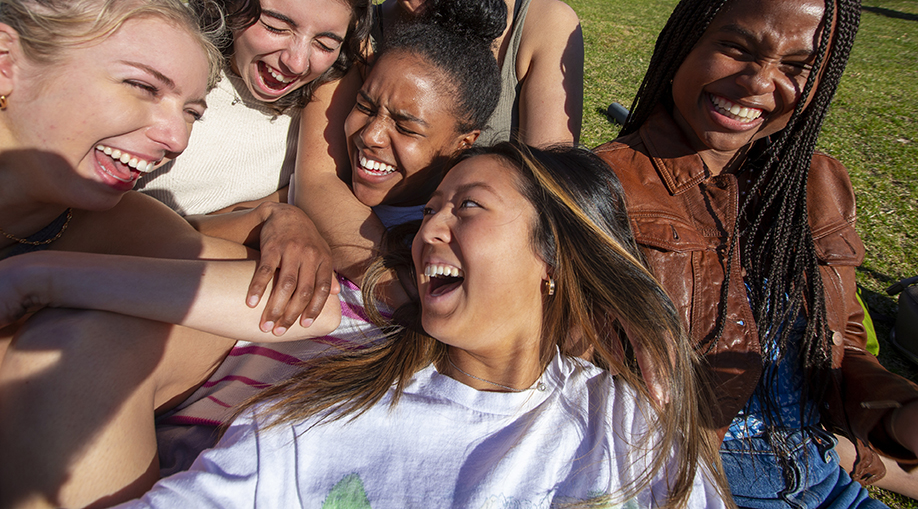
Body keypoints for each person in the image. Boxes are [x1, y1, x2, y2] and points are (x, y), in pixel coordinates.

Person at [115, 143, 728, 509]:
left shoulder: (630, 423)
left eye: (468, 207)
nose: (429, 230)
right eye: (432, 208)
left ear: (554, 259)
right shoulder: (325, 408)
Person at [0, 0, 343, 509]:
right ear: (6, 62)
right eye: (141, 86)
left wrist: (43, 278)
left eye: (191, 112)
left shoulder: (103, 220)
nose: (176, 138)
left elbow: (313, 309)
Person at [594, 0, 918, 508]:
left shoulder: (814, 183)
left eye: (796, 67)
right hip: (700, 487)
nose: (759, 82)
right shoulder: (602, 185)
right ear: (684, 40)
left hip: (825, 479)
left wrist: (902, 413)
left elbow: (840, 345)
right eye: (736, 47)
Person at [151, 0, 507, 469]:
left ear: (461, 144)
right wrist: (277, 215)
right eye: (366, 107)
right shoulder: (319, 185)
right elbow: (188, 238)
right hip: (194, 401)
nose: (372, 136)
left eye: (405, 126)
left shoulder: (455, 238)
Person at [291, 0, 584, 281]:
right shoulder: (356, 31)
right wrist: (399, 289)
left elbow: (545, 207)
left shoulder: (542, 29)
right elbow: (317, 181)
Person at [137, 0, 373, 324]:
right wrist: (272, 214)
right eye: (276, 26)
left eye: (325, 42)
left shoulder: (328, 100)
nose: (297, 63)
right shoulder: (172, 74)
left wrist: (278, 210)